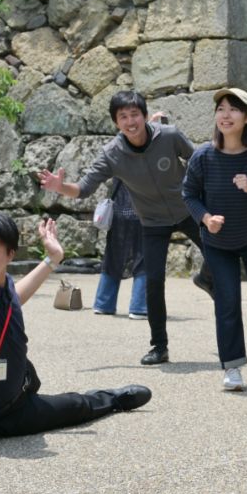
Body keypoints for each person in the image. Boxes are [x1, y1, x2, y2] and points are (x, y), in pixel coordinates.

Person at [0, 211, 151, 465]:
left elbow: (15, 298)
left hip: (19, 383)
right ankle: (113, 399)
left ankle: (37, 388)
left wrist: (53, 258)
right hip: (1, 415)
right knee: (72, 406)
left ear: (10, 255)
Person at [38, 90, 209, 366]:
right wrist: (60, 187)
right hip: (152, 221)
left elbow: (201, 160)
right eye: (123, 117)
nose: (130, 121)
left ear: (144, 115)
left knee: (220, 250)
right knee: (154, 282)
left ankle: (206, 279)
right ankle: (159, 346)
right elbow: (82, 189)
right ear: (116, 123)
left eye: (134, 114)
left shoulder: (169, 135)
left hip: (187, 209)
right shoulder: (112, 153)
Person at [181, 87, 247, 392]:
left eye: (233, 109)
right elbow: (188, 194)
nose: (225, 115)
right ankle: (232, 367)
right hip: (218, 244)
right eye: (220, 109)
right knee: (227, 301)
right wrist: (205, 218)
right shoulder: (203, 156)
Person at [91, 180, 148, 319]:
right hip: (145, 212)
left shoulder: (120, 157)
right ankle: (139, 307)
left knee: (113, 256)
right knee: (144, 257)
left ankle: (103, 304)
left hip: (119, 211)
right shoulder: (152, 158)